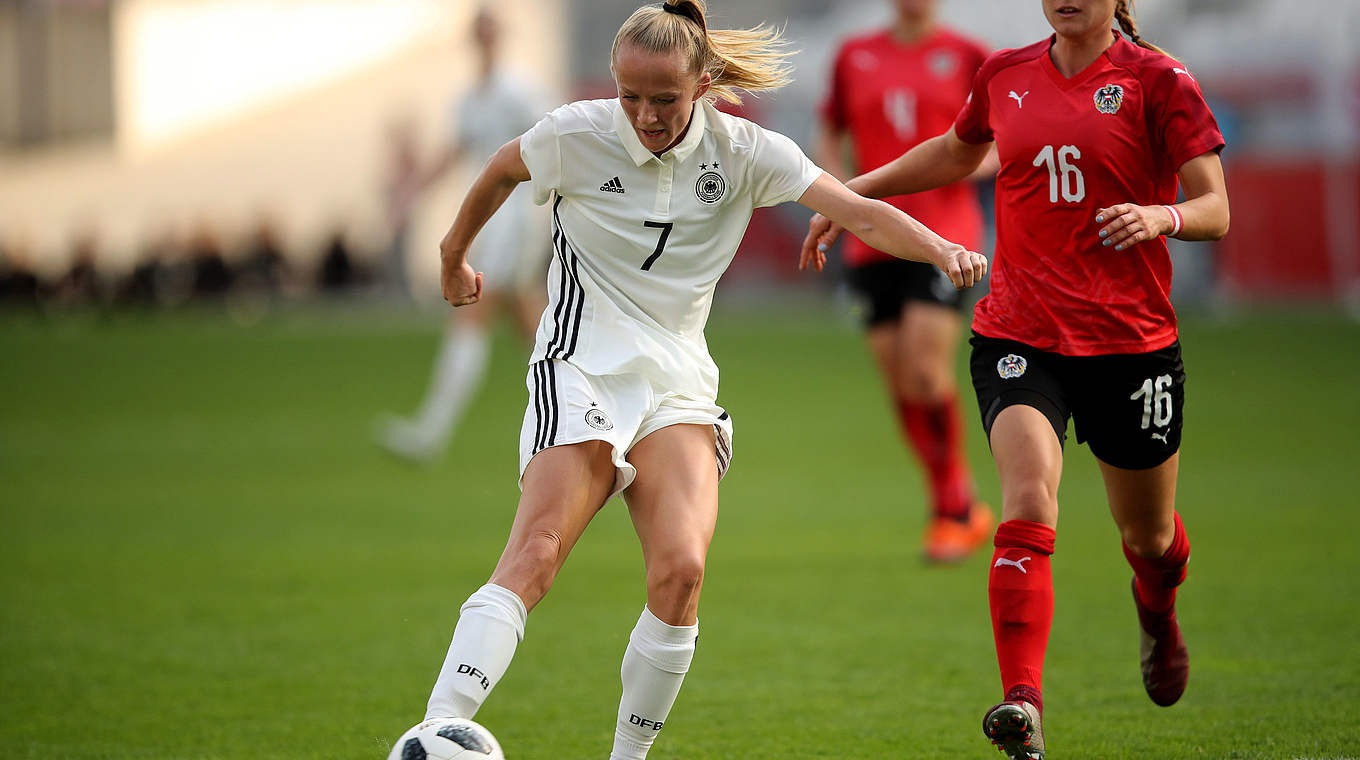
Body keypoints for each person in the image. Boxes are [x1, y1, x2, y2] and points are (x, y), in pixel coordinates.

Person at [407, 2, 987, 759]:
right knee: (539, 550)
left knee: (681, 572)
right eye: (630, 97)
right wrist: (453, 256)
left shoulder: (746, 151)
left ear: (704, 83)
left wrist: (942, 249)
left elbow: (858, 212)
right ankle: (432, 731)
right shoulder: (576, 133)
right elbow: (498, 169)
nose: (644, 115)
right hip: (581, 364)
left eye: (665, 99)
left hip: (677, 379)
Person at [804, 1, 1229, 756]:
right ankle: (1022, 707)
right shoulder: (1005, 74)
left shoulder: (1160, 80)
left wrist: (1163, 218)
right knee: (1029, 500)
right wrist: (855, 193)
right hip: (1020, 331)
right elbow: (957, 151)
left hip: (1130, 345)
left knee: (1150, 535)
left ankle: (1158, 613)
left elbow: (1215, 206)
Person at [817, 0, 995, 563]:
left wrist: (950, 166)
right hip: (871, 237)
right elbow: (831, 131)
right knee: (899, 378)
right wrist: (838, 194)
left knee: (924, 368)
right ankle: (955, 502)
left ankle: (954, 505)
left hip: (945, 236)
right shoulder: (854, 55)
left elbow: (1001, 141)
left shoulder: (970, 56)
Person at [377, 6, 548, 461]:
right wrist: (409, 196)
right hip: (489, 217)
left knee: (473, 308)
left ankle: (430, 434)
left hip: (514, 218)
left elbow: (554, 144)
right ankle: (585, 418)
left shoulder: (521, 90)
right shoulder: (470, 98)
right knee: (534, 326)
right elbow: (453, 152)